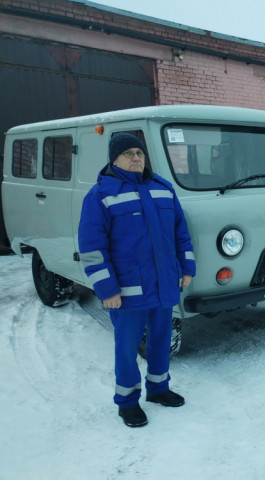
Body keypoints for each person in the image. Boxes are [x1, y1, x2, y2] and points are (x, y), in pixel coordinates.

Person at [78, 133, 196, 428]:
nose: (136, 158)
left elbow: (181, 232)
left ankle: (158, 389)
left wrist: (187, 267)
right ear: (114, 159)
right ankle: (128, 402)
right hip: (126, 292)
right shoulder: (101, 195)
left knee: (161, 341)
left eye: (139, 153)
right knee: (127, 349)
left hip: (164, 285)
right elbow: (92, 248)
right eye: (128, 153)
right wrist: (106, 288)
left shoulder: (163, 188)